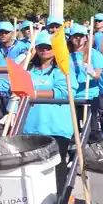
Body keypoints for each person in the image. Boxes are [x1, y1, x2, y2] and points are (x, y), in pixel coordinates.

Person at [20, 33, 76, 192]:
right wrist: (29, 56)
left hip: (55, 127)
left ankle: (58, 202)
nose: (44, 50)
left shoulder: (62, 69)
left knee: (56, 165)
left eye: (48, 47)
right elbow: (18, 79)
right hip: (31, 126)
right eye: (40, 47)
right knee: (32, 167)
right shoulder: (30, 68)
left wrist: (35, 93)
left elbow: (65, 91)